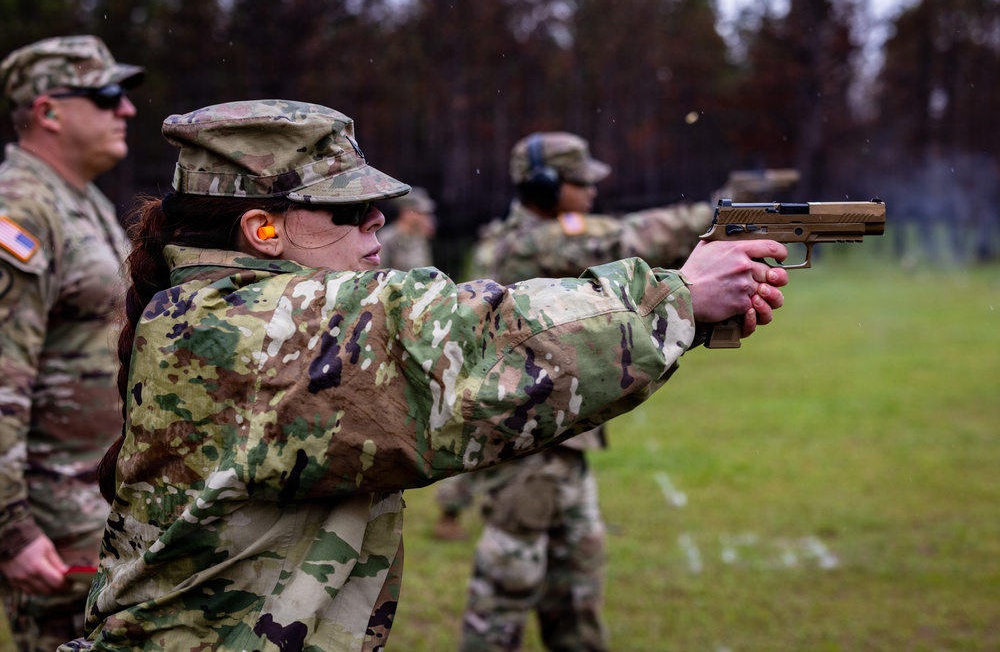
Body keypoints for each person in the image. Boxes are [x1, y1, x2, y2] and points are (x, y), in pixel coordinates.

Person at [57, 100, 787, 651]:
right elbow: (468, 346)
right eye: (347, 207)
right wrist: (679, 295)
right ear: (262, 229)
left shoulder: (214, 311)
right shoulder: (247, 329)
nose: (380, 218)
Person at [458, 131, 717, 652]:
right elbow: (629, 239)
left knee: (577, 591)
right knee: (507, 590)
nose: (592, 191)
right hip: (523, 447)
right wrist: (715, 215)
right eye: (580, 182)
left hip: (562, 444)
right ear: (547, 186)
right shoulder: (527, 241)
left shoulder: (540, 234)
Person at [0, 35, 143, 651]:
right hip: (56, 522)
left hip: (99, 508)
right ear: (48, 112)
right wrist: (11, 528)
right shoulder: (23, 209)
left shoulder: (78, 199)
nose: (126, 109)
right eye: (107, 95)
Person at [378, 186, 437, 270]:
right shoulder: (387, 238)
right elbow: (378, 272)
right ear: (407, 213)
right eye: (420, 213)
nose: (424, 218)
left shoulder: (419, 237)